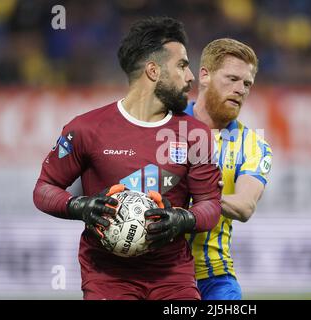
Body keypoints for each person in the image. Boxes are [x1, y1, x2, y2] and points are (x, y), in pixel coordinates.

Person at [33, 16, 221, 300]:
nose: (191, 76)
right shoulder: (86, 129)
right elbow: (44, 189)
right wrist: (79, 206)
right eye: (182, 65)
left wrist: (182, 218)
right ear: (153, 71)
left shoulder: (195, 134)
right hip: (107, 278)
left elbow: (210, 206)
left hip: (173, 278)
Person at [184, 38, 273, 300]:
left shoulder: (253, 145)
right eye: (232, 79)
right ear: (205, 76)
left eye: (247, 84)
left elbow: (245, 207)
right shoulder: (164, 126)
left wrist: (196, 197)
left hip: (215, 278)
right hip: (159, 273)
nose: (240, 90)